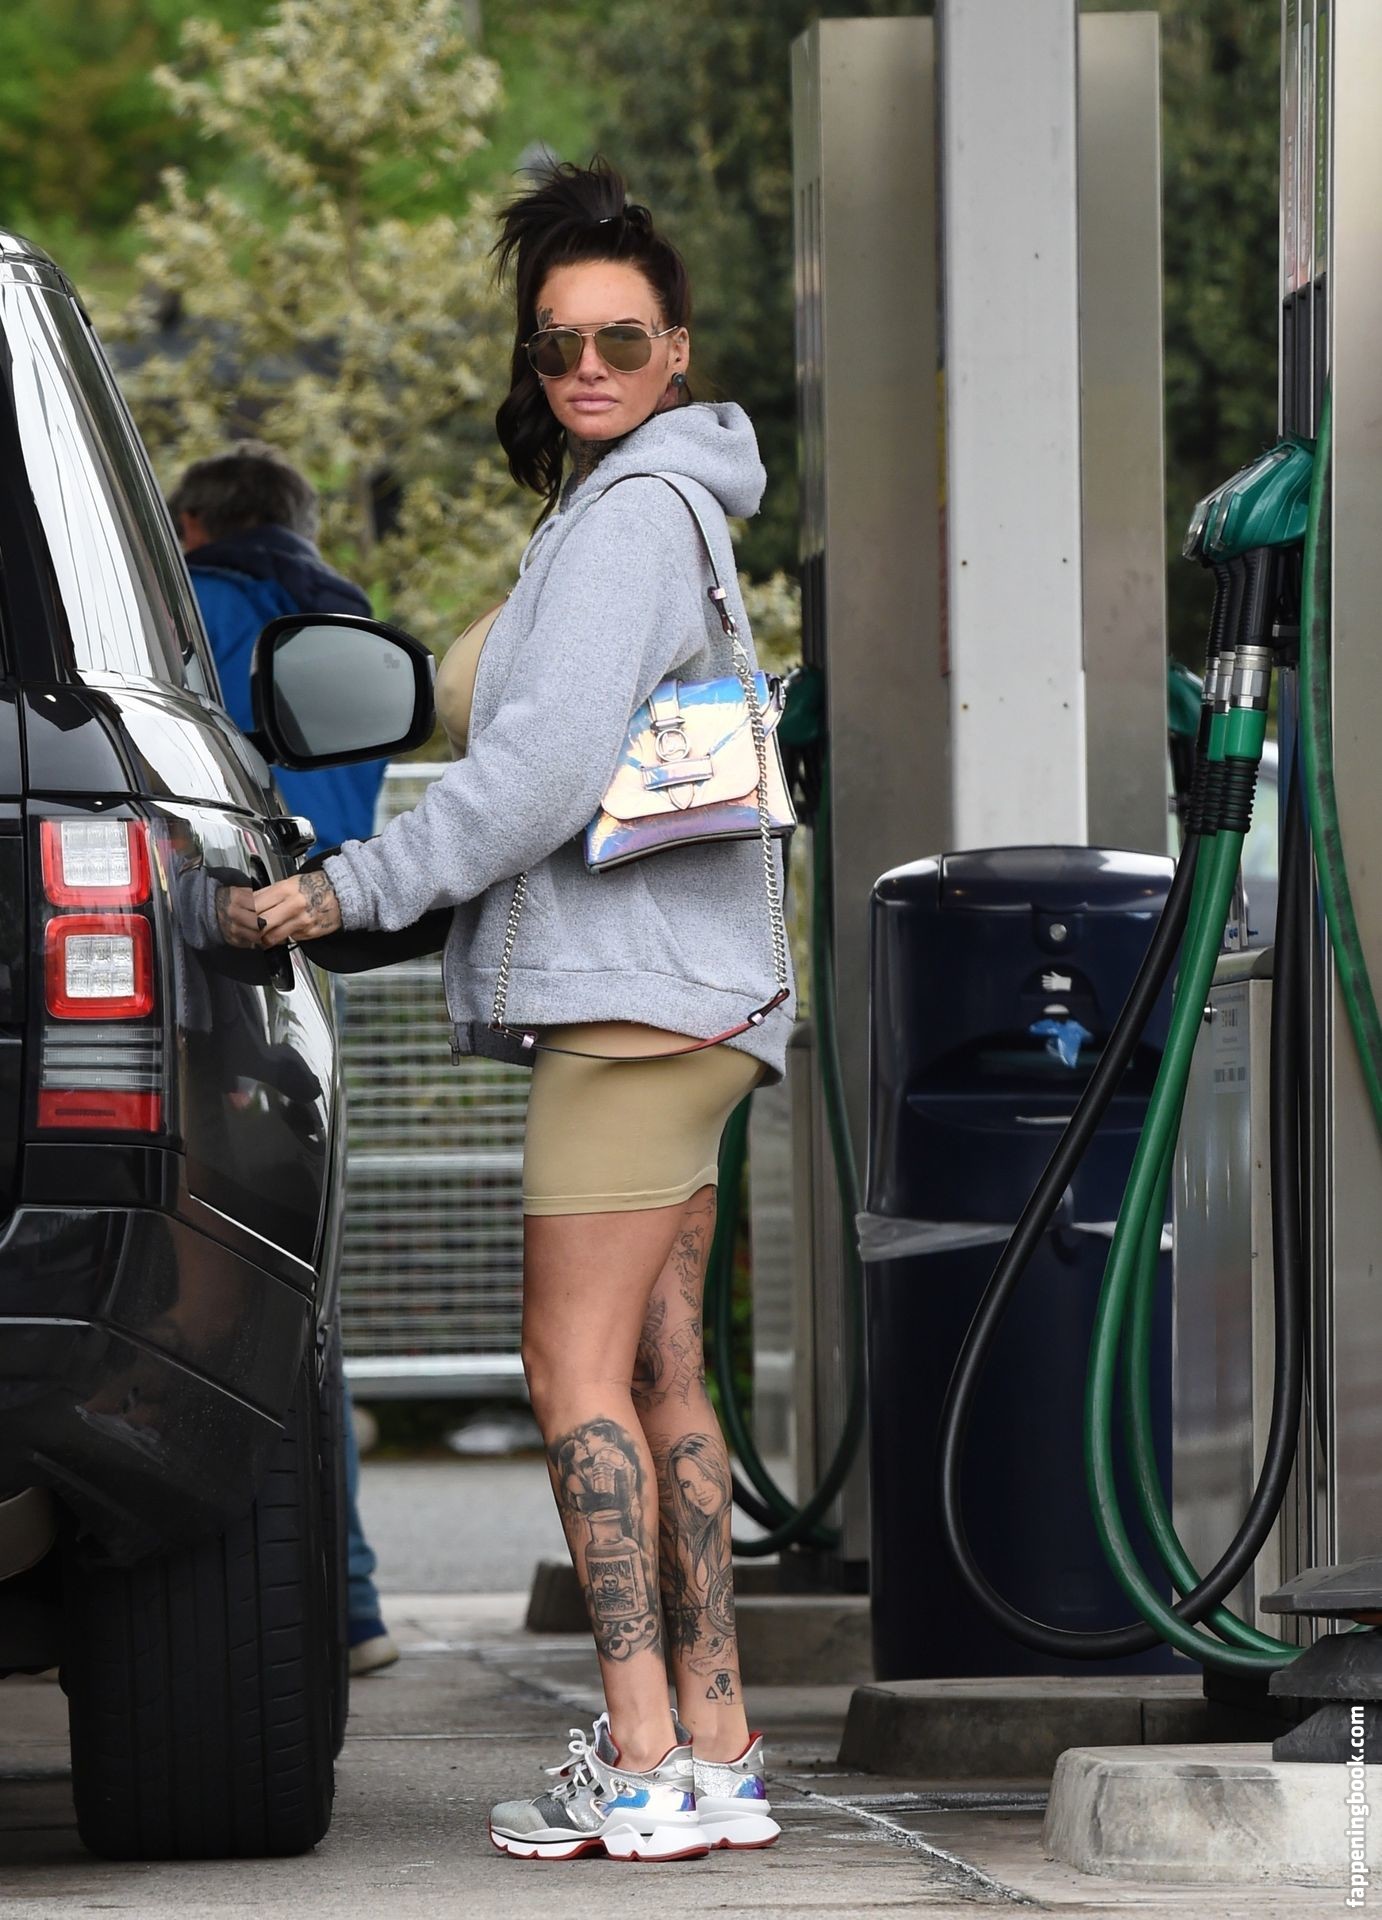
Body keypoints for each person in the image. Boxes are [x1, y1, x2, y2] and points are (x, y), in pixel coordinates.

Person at [253, 157, 795, 1862]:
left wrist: (349, 889)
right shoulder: (658, 509)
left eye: (621, 339)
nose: (587, 366)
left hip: (629, 1014)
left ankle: (634, 1755)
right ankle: (715, 1743)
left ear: (675, 351)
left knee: (565, 1368)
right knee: (661, 1371)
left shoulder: (629, 521)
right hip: (695, 1004)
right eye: (559, 341)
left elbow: (540, 776)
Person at [171, 442, 399, 1679]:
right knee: (299, 1285)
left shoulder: (192, 609)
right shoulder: (345, 629)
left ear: (193, 527)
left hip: (208, 960)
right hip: (317, 971)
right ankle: (345, 1602)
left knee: (202, 1280)